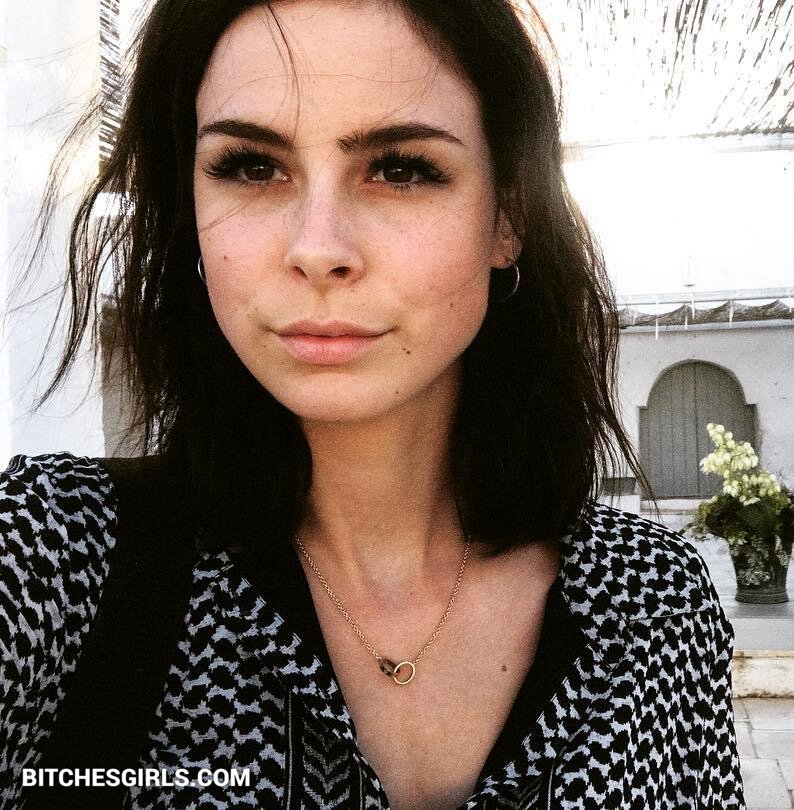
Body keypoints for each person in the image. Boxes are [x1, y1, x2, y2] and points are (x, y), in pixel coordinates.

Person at [0, 1, 745, 807]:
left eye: (401, 168)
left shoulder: (654, 603)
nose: (318, 249)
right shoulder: (53, 555)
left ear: (508, 216)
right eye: (251, 166)